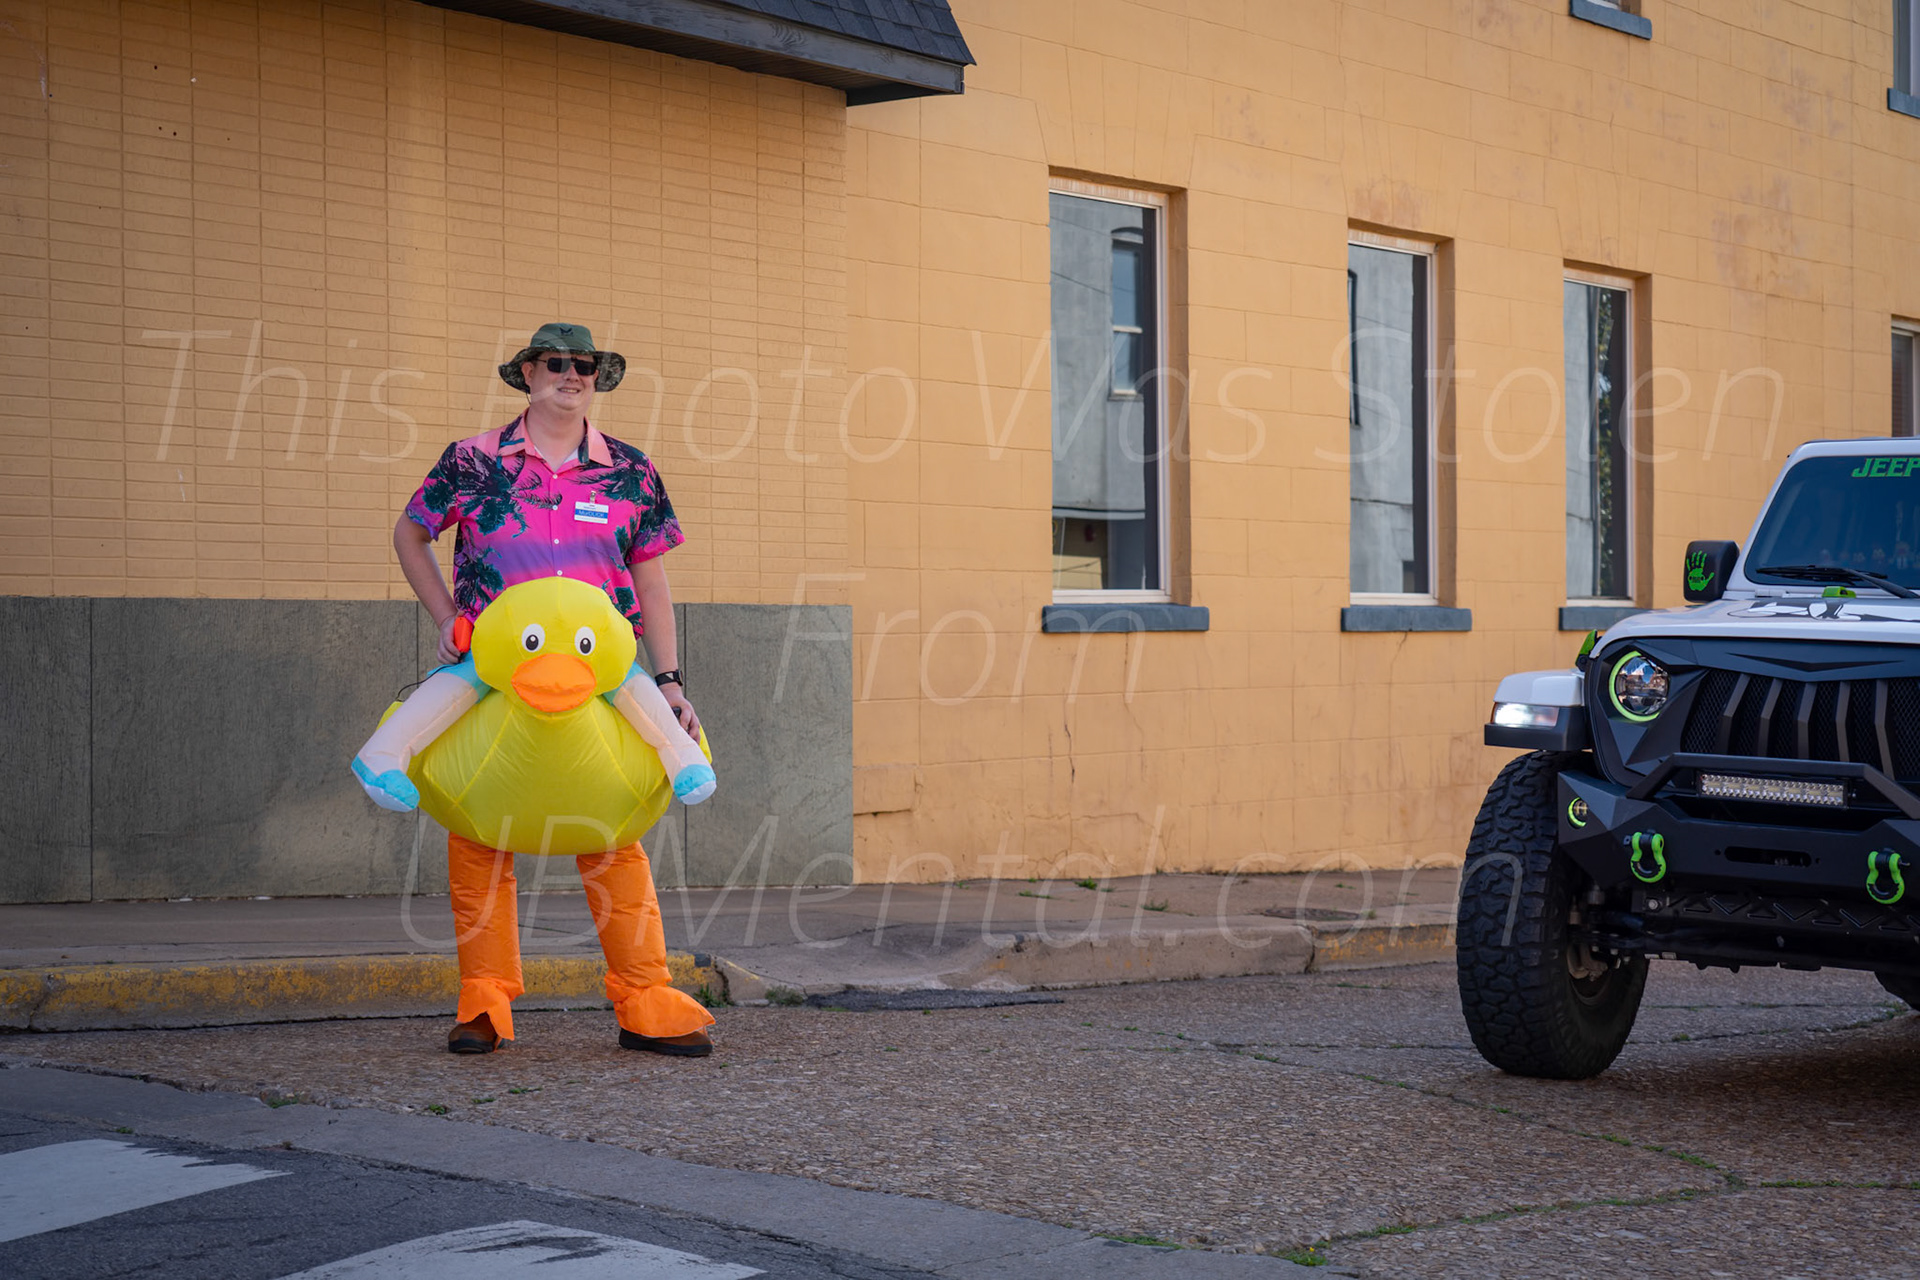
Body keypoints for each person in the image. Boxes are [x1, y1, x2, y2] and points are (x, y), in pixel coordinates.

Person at [361, 322, 716, 1058]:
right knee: (480, 837)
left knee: (612, 835)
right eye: (555, 363)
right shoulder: (471, 460)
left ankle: (645, 999)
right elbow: (410, 533)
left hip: (602, 683)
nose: (571, 374)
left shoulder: (631, 471)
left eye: (584, 364)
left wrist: (669, 679)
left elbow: (650, 578)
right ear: (527, 373)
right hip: (494, 677)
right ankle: (484, 1002)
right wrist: (448, 618)